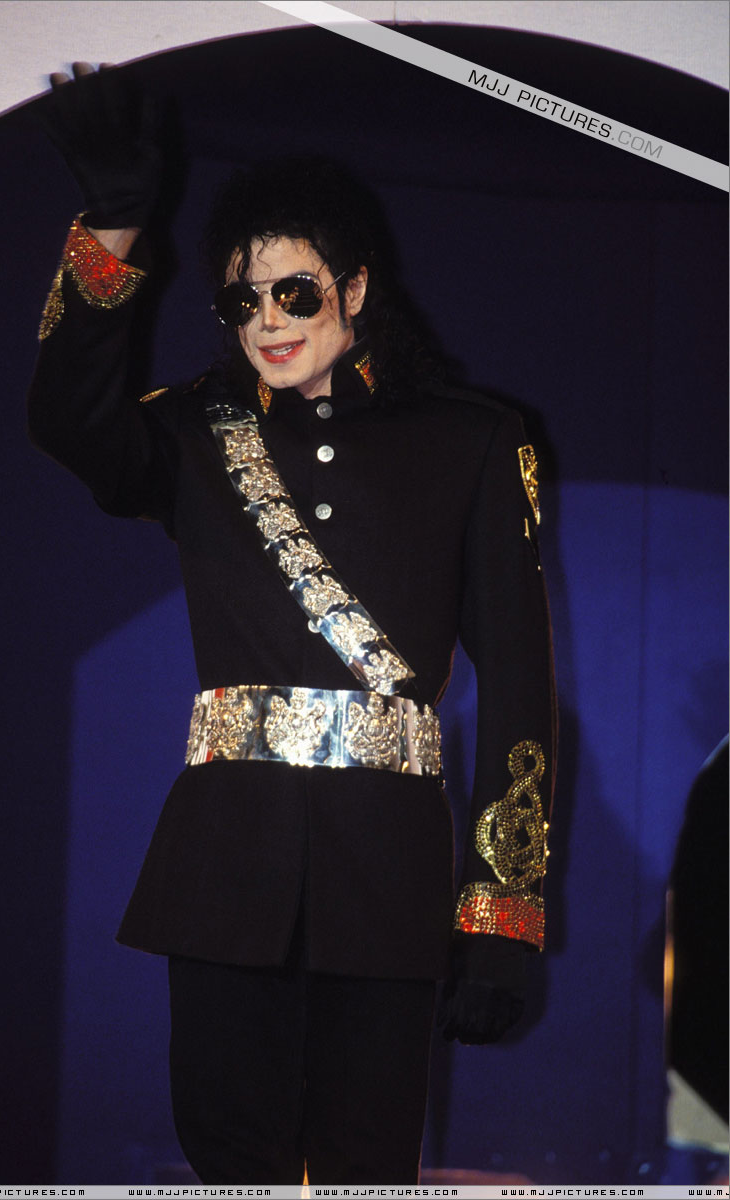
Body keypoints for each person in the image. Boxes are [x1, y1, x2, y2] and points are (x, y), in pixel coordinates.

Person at [28, 63, 557, 1186]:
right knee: (233, 1162)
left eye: (296, 293)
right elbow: (66, 417)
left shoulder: (472, 440)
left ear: (355, 287)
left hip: (391, 873)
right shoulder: (194, 430)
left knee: (368, 1165)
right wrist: (113, 226)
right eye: (242, 301)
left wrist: (501, 913)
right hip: (223, 868)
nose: (267, 320)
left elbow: (518, 682)